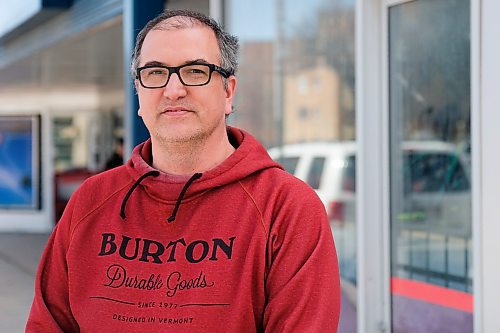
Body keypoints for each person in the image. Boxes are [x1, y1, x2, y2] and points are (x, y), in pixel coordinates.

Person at [26, 9, 340, 332]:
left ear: (228, 91)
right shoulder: (89, 203)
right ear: (138, 91)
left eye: (194, 71)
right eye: (155, 72)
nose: (173, 90)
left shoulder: (287, 210)